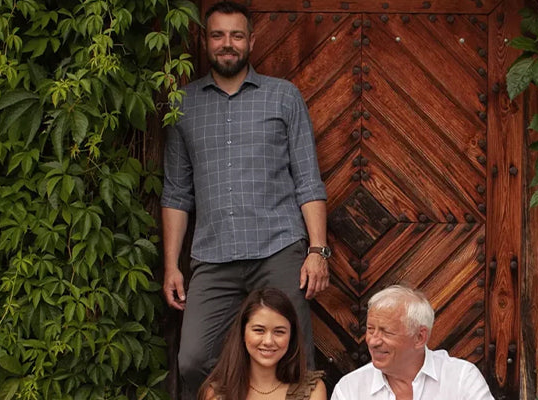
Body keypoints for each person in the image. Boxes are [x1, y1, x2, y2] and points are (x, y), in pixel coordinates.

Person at [160, 2, 330, 398]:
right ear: (205, 42)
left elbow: (308, 180)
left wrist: (318, 250)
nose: (227, 44)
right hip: (213, 256)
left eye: (236, 35)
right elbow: (176, 193)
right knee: (193, 359)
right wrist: (171, 265)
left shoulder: (283, 97)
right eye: (218, 35)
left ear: (251, 41)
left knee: (297, 360)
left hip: (278, 250)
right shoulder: (183, 106)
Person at [332, 285, 494, 400]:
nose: (373, 341)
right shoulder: (350, 389)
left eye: (386, 332)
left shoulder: (460, 377)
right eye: (370, 329)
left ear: (420, 337)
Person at [200, 288, 327, 400]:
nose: (268, 341)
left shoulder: (312, 389)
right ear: (242, 333)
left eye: (279, 332)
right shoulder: (217, 394)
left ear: (291, 336)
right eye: (259, 330)